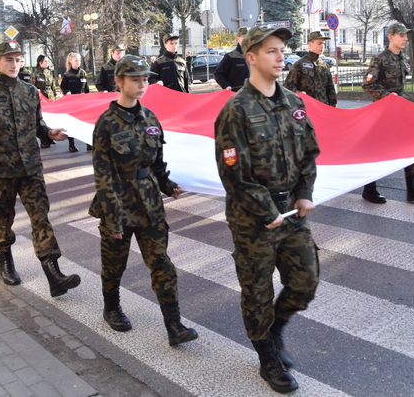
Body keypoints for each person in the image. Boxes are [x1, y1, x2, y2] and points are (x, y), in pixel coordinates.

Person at [214, 26, 321, 394]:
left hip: (292, 214)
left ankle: (276, 330)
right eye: (272, 51)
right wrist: (265, 209)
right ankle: (266, 356)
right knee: (257, 292)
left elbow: (309, 154)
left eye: (282, 51)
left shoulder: (294, 103)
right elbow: (234, 174)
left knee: (305, 282)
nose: (280, 57)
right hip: (252, 220)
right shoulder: (235, 110)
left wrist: (304, 193)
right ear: (252, 58)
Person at [88, 55, 198, 346]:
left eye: (145, 78)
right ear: (119, 81)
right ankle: (111, 307)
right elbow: (103, 174)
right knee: (114, 264)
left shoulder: (150, 117)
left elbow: (157, 161)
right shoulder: (106, 124)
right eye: (135, 78)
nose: (142, 84)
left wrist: (167, 184)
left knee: (162, 263)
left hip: (149, 204)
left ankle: (174, 326)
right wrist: (112, 218)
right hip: (118, 203)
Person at [0, 41, 81, 297]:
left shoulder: (29, 91)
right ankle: (6, 261)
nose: (14, 64)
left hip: (30, 169)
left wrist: (48, 132)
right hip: (1, 172)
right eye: (8, 59)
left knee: (41, 218)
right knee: (3, 219)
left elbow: (37, 124)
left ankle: (54, 275)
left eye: (18, 59)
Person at [360, 22, 414, 204]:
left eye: (406, 36)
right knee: (377, 151)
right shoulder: (380, 59)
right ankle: (369, 189)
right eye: (401, 35)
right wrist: (388, 96)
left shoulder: (401, 58)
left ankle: (413, 188)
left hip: (399, 111)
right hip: (383, 112)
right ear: (391, 37)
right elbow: (368, 84)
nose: (405, 38)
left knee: (412, 145)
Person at [283, 31, 337, 107]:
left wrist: (333, 108)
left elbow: (330, 89)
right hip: (308, 109)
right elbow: (288, 87)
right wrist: (300, 95)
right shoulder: (299, 64)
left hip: (323, 108)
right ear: (310, 44)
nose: (322, 46)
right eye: (319, 43)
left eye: (323, 44)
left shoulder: (324, 65)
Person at [59, 52, 90, 152]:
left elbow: (86, 89)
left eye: (79, 60)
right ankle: (71, 145)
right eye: (76, 60)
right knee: (72, 124)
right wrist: (67, 92)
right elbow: (63, 86)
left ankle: (89, 143)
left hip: (83, 103)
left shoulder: (83, 73)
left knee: (85, 124)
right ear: (70, 61)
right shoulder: (67, 75)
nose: (78, 62)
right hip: (72, 104)